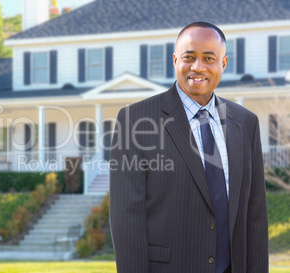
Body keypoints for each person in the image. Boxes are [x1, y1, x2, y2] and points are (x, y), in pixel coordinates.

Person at [109, 22, 268, 273]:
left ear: (223, 64)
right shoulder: (135, 121)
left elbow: (255, 214)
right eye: (189, 57)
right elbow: (127, 219)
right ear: (175, 60)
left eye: (208, 58)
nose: (198, 67)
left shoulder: (246, 123)